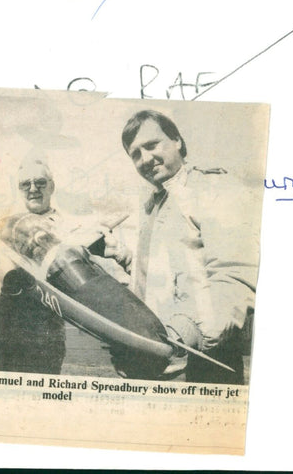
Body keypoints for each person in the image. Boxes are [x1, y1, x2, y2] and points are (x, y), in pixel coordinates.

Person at [111, 109, 258, 384]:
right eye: (135, 154)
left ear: (177, 140)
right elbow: (170, 275)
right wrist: (124, 257)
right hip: (154, 362)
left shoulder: (213, 188)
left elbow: (234, 278)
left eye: (152, 145)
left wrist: (178, 338)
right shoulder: (154, 203)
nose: (145, 159)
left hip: (203, 363)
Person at [0, 159, 67, 374]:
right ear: (19, 188)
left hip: (44, 343)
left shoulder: (67, 228)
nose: (33, 189)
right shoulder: (0, 226)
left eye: (40, 182)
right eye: (25, 184)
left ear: (52, 186)